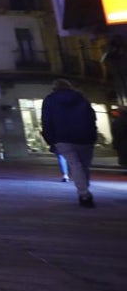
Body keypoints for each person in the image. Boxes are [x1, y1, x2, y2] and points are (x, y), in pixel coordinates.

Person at [41, 78, 98, 208]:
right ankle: (84, 190)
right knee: (84, 166)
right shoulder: (81, 98)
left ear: (54, 88)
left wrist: (51, 140)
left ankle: (84, 194)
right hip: (85, 138)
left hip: (62, 138)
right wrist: (93, 135)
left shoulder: (50, 100)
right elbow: (91, 118)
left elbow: (46, 121)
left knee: (75, 165)